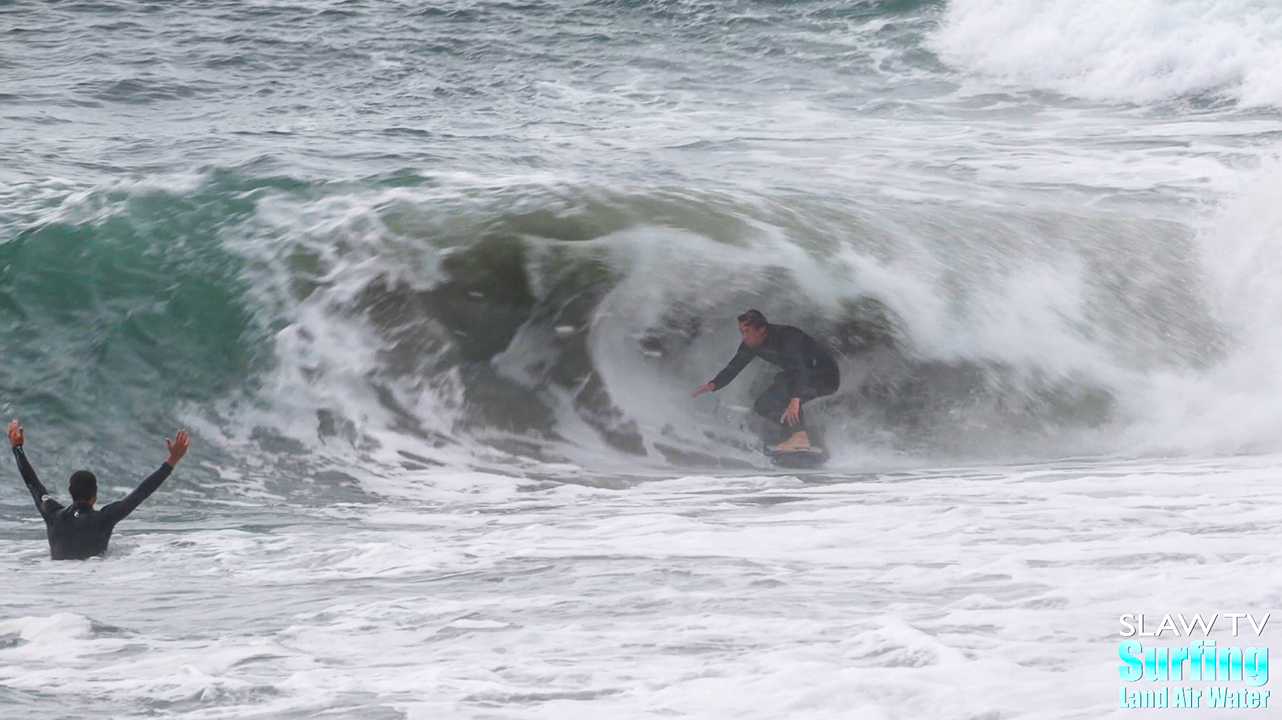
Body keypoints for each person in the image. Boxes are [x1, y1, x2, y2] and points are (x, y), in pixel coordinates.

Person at [8, 420, 190, 560]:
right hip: (93, 592)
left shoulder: (53, 515)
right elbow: (141, 493)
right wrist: (172, 460)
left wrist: (17, 448)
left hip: (58, 588)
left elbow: (32, 483)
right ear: (95, 492)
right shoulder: (104, 518)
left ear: (70, 491)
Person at [692, 309, 839, 451]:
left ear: (761, 329)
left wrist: (795, 400)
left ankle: (799, 436)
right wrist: (712, 385)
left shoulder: (786, 338)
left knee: (783, 381)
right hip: (800, 377)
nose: (745, 337)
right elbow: (734, 367)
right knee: (763, 405)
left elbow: (801, 370)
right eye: (742, 332)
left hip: (826, 376)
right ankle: (805, 435)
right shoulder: (751, 345)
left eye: (747, 331)